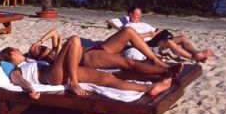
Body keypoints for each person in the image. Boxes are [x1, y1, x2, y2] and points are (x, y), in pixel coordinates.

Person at [0, 35, 172, 98]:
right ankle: (74, 82)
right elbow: (19, 80)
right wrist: (30, 88)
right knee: (74, 40)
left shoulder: (29, 61)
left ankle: (148, 88)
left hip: (59, 71)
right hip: (50, 77)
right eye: (17, 50)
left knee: (106, 78)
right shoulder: (16, 70)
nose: (21, 51)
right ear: (12, 55)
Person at [28, 28, 182, 77]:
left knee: (127, 31)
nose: (42, 48)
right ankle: (164, 70)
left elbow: (54, 31)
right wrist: (57, 46)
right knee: (127, 63)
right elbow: (63, 64)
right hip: (89, 57)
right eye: (38, 51)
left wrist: (39, 41)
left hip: (99, 48)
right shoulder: (52, 59)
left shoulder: (52, 47)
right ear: (38, 57)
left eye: (41, 47)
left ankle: (154, 58)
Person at [125, 6, 215, 63]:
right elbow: (133, 39)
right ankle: (193, 57)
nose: (139, 17)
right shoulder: (127, 27)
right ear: (130, 14)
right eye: (137, 15)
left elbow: (156, 31)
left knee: (182, 37)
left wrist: (158, 33)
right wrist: (148, 34)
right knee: (169, 42)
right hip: (147, 45)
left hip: (156, 40)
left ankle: (196, 53)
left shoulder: (144, 24)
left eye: (140, 15)